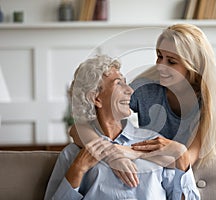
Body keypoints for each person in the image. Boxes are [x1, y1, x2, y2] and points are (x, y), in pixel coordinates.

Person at [44, 55, 200, 200]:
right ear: (95, 98)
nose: (130, 90)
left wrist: (182, 155)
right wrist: (78, 170)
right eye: (119, 83)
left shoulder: (153, 142)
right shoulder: (74, 154)